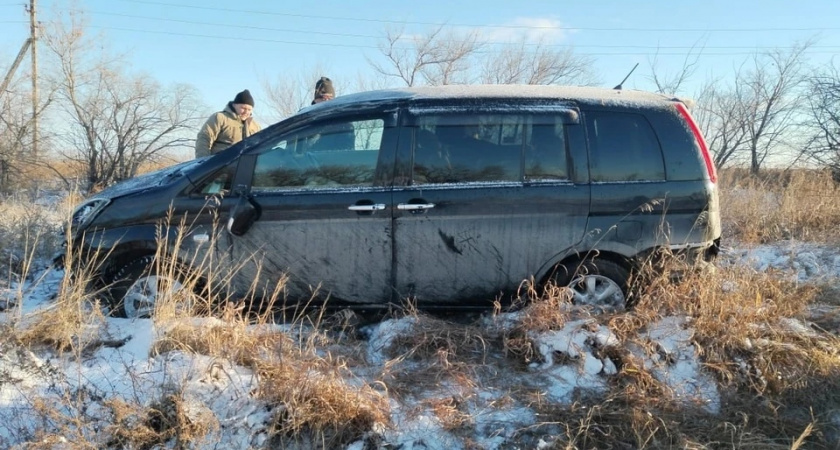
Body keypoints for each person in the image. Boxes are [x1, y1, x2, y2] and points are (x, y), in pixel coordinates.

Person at [195, 89, 261, 158]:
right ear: (234, 105)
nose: (246, 112)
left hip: (245, 165)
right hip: (220, 164)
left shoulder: (255, 126)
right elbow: (204, 137)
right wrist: (202, 161)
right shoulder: (220, 118)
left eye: (249, 109)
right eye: (243, 108)